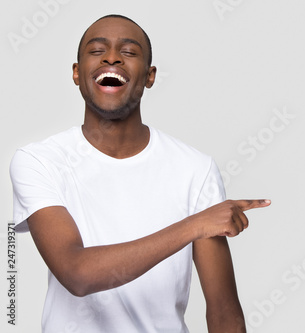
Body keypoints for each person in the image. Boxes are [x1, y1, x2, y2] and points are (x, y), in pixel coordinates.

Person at [9, 14, 270, 333]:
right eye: (97, 50)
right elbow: (76, 273)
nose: (112, 57)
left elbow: (223, 313)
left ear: (149, 76)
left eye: (129, 52)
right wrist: (194, 225)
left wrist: (199, 224)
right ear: (77, 74)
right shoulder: (39, 161)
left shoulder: (195, 169)